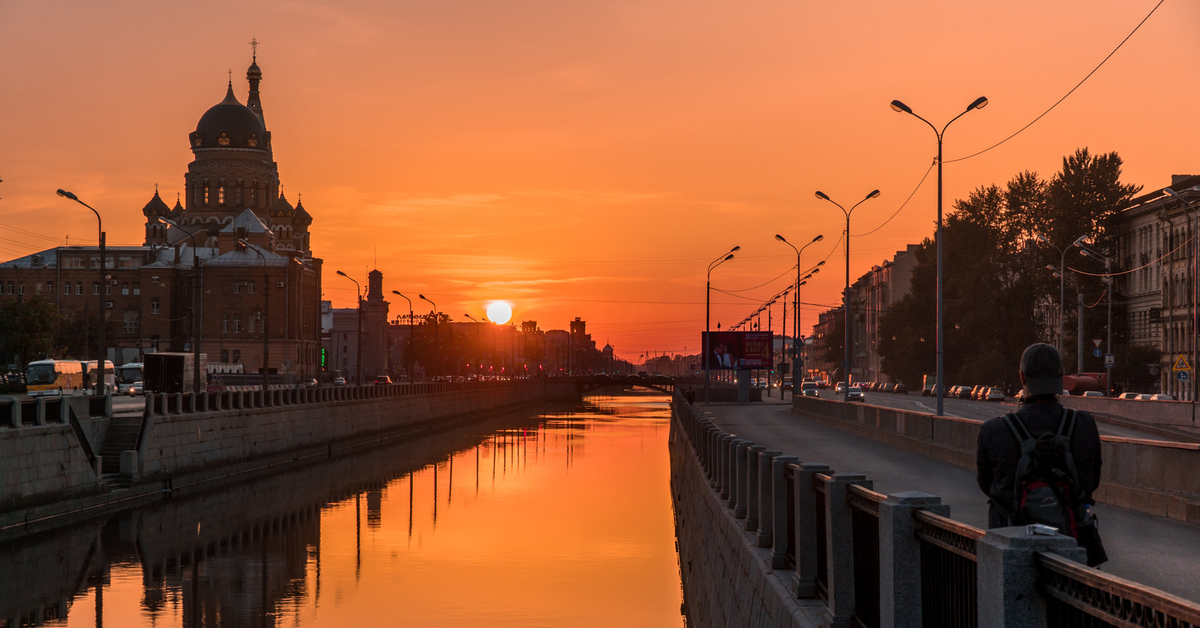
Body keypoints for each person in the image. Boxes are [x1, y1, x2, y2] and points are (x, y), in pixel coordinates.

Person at [976, 343, 1106, 562]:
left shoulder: (994, 430)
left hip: (1009, 549)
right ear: (1062, 379)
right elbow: (1091, 482)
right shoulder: (1083, 425)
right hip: (1070, 548)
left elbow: (987, 485)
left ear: (1022, 377)